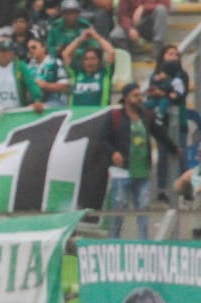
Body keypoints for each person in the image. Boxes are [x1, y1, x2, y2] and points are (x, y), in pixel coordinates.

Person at [105, 82, 176, 238]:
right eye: (135, 95)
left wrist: (175, 149)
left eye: (140, 95)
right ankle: (113, 241)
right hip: (122, 171)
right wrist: (113, 153)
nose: (139, 99)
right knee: (118, 209)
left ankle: (144, 243)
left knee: (143, 209)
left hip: (142, 171)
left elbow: (160, 134)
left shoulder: (146, 116)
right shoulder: (115, 117)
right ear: (126, 98)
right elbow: (104, 139)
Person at [146, 45, 189, 202]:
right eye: (170, 53)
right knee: (163, 156)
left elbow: (180, 96)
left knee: (181, 154)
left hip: (180, 122)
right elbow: (152, 92)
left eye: (176, 55)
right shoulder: (156, 75)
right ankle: (162, 191)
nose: (173, 57)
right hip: (162, 123)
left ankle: (186, 189)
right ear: (163, 56)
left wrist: (163, 93)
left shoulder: (182, 75)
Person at [0, 39, 43, 125]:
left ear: (12, 53)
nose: (2, 54)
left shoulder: (21, 67)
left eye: (5, 51)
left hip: (16, 114)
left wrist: (37, 99)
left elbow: (31, 84)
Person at [63, 27, 115, 108]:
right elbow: (66, 54)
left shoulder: (105, 73)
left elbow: (111, 52)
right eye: (86, 59)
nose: (89, 62)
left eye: (93, 59)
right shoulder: (76, 74)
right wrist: (81, 39)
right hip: (76, 117)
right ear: (83, 62)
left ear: (99, 61)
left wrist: (96, 37)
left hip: (99, 116)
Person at [112, 0, 170, 64]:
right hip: (132, 25)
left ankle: (157, 53)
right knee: (116, 35)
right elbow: (122, 15)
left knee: (161, 10)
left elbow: (165, 5)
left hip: (151, 26)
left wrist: (143, 7)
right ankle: (131, 57)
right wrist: (129, 28)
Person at [47, 0, 93, 70]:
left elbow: (93, 48)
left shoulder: (85, 26)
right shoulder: (55, 26)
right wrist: (57, 50)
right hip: (59, 61)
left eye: (73, 13)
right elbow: (49, 47)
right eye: (67, 13)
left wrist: (77, 52)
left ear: (78, 13)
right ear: (62, 14)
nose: (70, 16)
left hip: (81, 61)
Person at [28, 35, 70, 108]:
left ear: (43, 48)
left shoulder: (55, 62)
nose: (31, 50)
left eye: (34, 47)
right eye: (29, 48)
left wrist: (45, 85)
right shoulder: (29, 66)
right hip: (36, 102)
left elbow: (64, 85)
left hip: (56, 101)